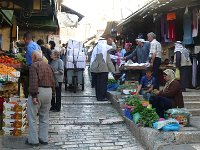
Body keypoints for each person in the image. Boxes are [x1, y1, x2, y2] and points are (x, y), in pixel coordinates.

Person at [26, 51, 55, 146]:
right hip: (49, 92)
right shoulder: (48, 66)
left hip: (38, 91)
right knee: (44, 117)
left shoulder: (34, 66)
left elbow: (34, 81)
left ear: (34, 57)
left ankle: (33, 140)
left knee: (32, 117)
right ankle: (44, 138)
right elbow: (53, 81)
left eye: (31, 57)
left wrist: (34, 95)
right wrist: (53, 95)